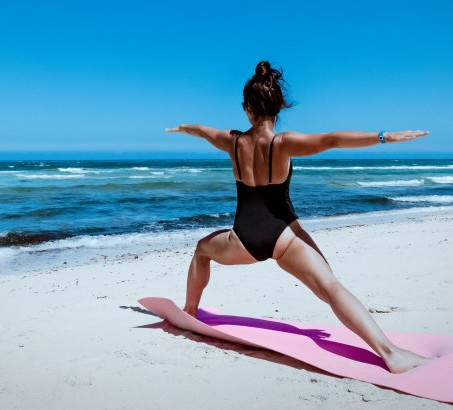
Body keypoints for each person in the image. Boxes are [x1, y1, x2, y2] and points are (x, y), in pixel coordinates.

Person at [166, 60, 432, 373]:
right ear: (278, 107)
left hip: (242, 239)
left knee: (201, 250)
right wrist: (384, 136)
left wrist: (184, 128)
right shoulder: (284, 143)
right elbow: (333, 139)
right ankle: (391, 355)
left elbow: (203, 131)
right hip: (283, 238)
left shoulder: (232, 141)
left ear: (246, 108)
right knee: (331, 288)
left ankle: (190, 310)